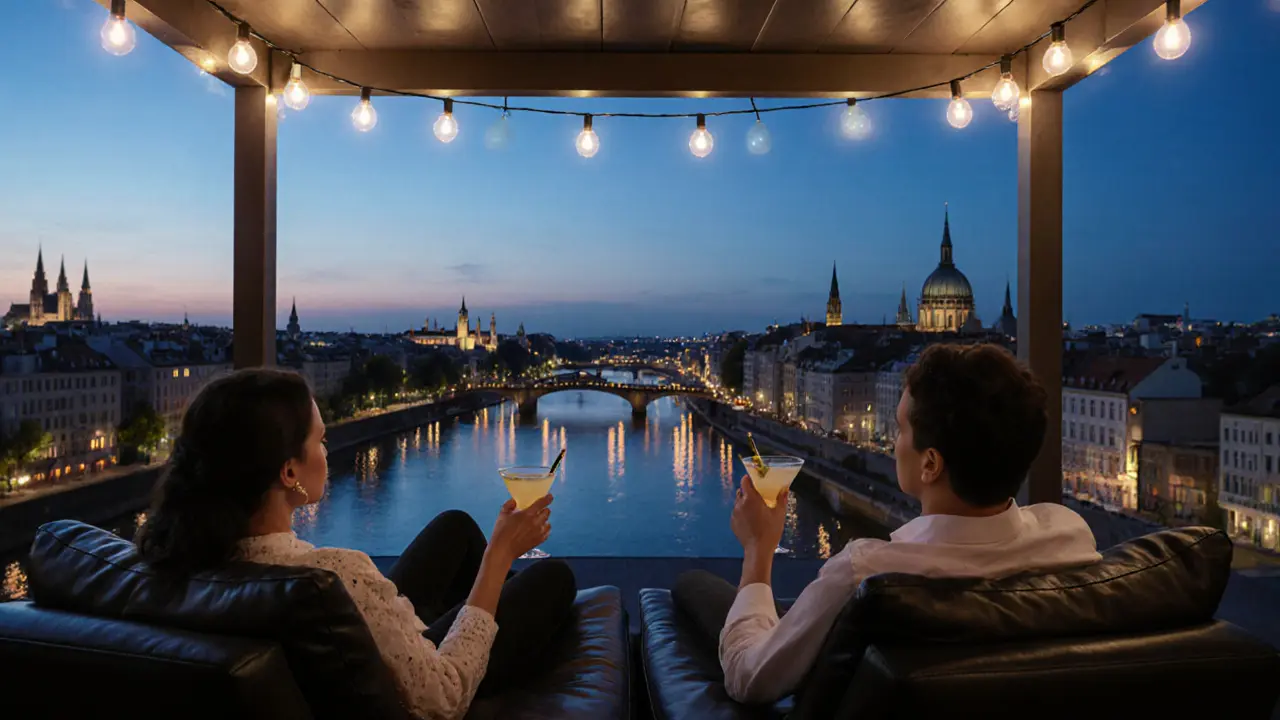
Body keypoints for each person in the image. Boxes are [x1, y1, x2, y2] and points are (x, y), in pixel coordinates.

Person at [136, 368, 576, 720]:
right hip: (425, 682)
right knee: (553, 578)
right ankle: (496, 623)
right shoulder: (334, 575)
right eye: (321, 439)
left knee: (455, 528)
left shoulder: (180, 555)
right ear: (289, 473)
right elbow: (443, 699)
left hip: (351, 657)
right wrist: (499, 557)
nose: (328, 450)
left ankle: (480, 613)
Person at [674, 343, 1102, 703]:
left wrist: (758, 550)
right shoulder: (1068, 535)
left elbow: (748, 678)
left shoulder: (866, 573)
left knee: (691, 586)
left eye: (898, 429)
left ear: (930, 463)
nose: (894, 444)